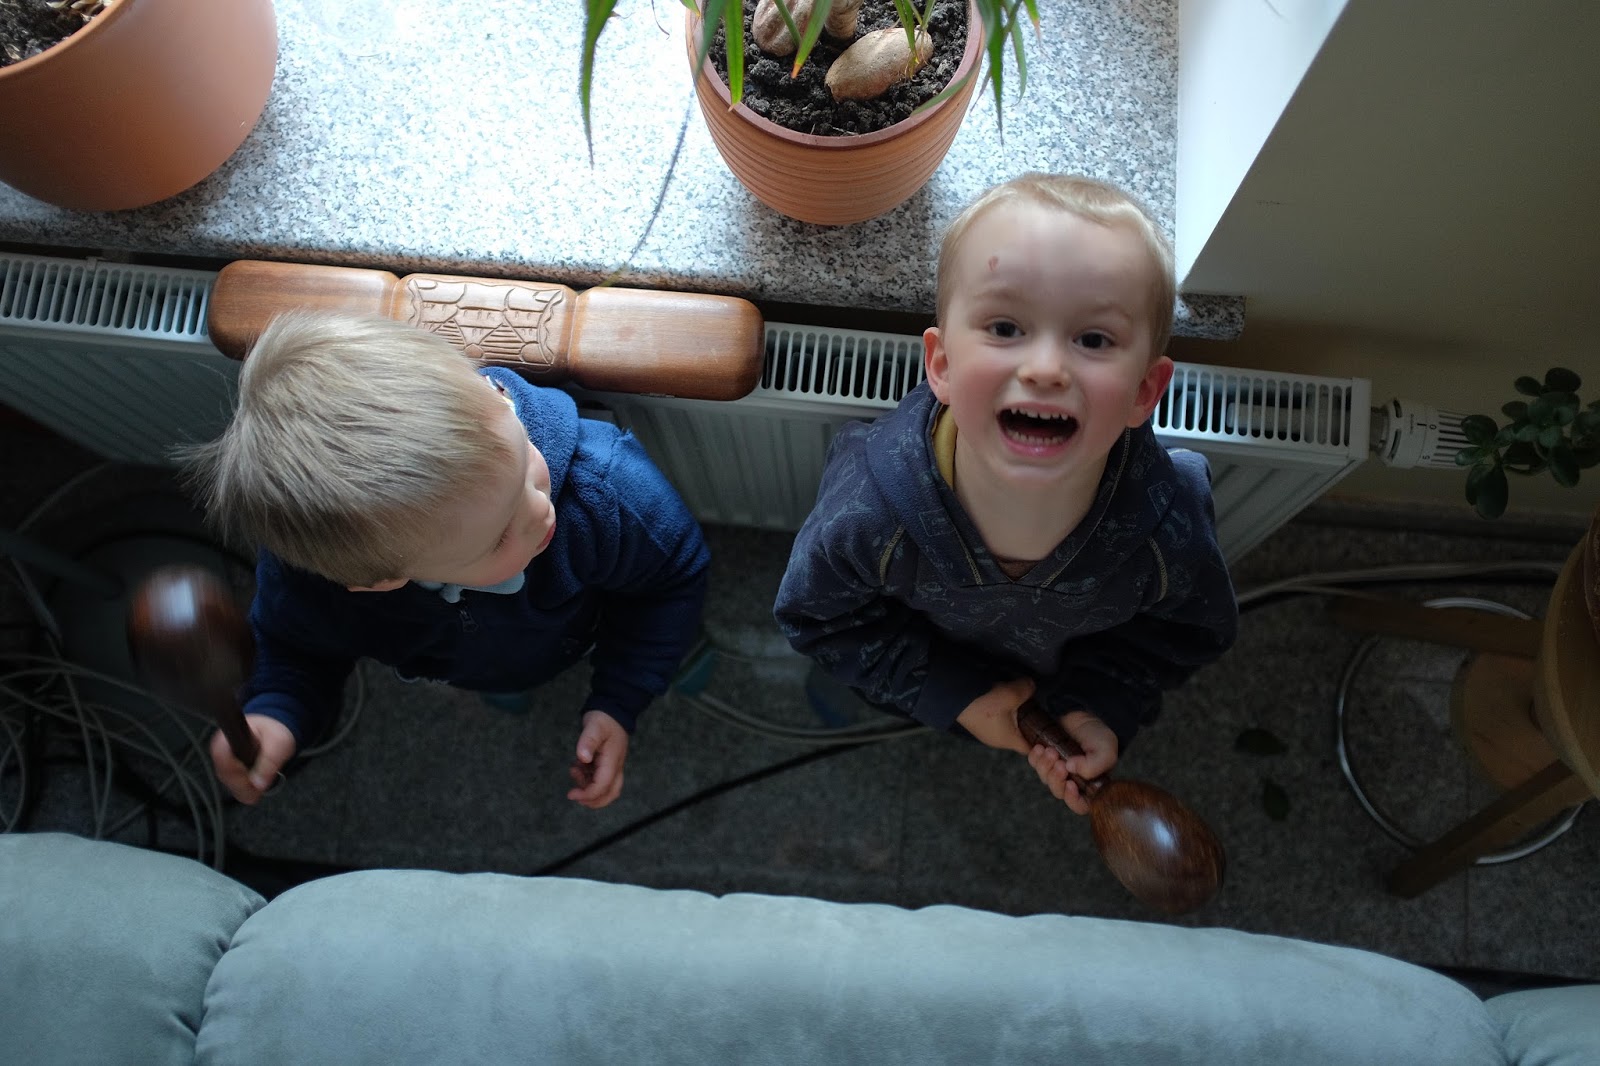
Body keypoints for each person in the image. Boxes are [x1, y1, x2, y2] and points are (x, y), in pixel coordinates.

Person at [774, 173, 1237, 814]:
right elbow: (819, 620)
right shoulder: (868, 515)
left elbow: (1177, 638)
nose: (1045, 368)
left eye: (1093, 339)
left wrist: (1099, 706)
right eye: (1005, 327)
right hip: (920, 680)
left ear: (1144, 392)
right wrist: (948, 695)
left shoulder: (1171, 534)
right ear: (942, 365)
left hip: (1056, 689)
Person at [181, 311, 710, 810]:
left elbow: (673, 577)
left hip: (593, 621)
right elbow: (295, 650)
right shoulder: (313, 582)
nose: (540, 509)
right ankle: (508, 681)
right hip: (483, 658)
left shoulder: (605, 491)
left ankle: (649, 666)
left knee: (660, 642)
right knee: (504, 677)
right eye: (499, 537)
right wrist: (276, 711)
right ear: (378, 582)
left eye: (525, 456)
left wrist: (620, 698)